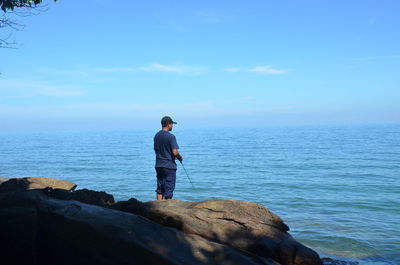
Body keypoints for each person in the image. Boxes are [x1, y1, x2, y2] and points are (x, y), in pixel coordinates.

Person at [153, 116, 183, 200]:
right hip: (169, 166)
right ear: (168, 125)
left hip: (158, 165)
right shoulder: (171, 137)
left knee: (160, 189)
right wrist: (180, 158)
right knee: (168, 190)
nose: (172, 126)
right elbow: (175, 152)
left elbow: (156, 150)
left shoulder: (156, 136)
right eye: (172, 124)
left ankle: (157, 209)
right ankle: (167, 209)